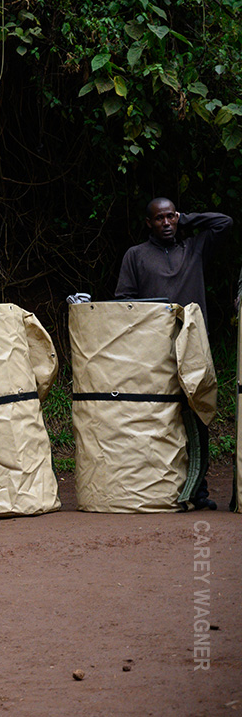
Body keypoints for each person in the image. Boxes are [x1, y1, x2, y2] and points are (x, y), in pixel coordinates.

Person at [115, 197, 233, 511]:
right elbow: (123, 302)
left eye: (171, 217)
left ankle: (199, 491)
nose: (166, 223)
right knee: (158, 420)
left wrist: (187, 218)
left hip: (193, 348)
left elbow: (225, 222)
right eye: (159, 218)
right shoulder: (136, 256)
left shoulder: (192, 249)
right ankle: (157, 489)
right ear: (148, 223)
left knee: (197, 417)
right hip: (152, 353)